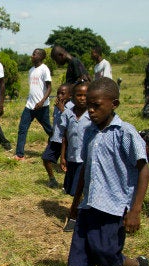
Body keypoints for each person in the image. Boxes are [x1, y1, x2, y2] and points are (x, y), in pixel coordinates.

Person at [67, 78, 149, 266]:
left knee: (107, 255)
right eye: (88, 106)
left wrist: (136, 209)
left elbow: (144, 170)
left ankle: (137, 264)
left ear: (114, 104)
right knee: (80, 256)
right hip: (88, 205)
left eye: (96, 106)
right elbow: (85, 167)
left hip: (113, 206)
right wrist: (76, 202)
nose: (90, 111)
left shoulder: (125, 133)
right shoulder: (90, 132)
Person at [59, 81, 90, 232]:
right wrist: (62, 156)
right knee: (72, 189)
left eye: (85, 95)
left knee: (81, 188)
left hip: (87, 159)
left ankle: (75, 216)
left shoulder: (93, 115)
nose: (82, 98)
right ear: (72, 97)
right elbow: (64, 136)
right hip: (72, 157)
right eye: (79, 95)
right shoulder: (68, 113)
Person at [13, 48, 53, 161]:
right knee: (22, 128)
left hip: (42, 106)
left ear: (41, 56)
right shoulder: (31, 70)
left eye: (34, 54)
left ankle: (60, 144)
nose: (32, 56)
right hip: (30, 106)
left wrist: (41, 102)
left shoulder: (44, 69)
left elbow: (49, 88)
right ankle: (19, 155)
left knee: (49, 130)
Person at [43, 83, 73, 189]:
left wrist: (63, 110)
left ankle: (69, 185)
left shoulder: (73, 108)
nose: (59, 96)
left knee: (69, 164)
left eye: (63, 93)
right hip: (56, 139)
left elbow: (73, 122)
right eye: (58, 93)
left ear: (70, 95)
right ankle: (52, 179)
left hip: (67, 140)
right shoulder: (57, 106)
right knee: (46, 158)